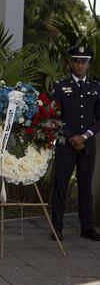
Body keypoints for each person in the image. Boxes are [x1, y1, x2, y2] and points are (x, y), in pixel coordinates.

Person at [51, 45, 100, 241]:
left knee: (85, 188)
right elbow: (53, 115)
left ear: (88, 64)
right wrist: (72, 136)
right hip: (65, 145)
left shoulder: (96, 88)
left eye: (84, 61)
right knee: (60, 186)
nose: (80, 65)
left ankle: (87, 228)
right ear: (70, 63)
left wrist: (85, 136)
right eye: (76, 61)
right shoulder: (60, 87)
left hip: (87, 146)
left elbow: (99, 118)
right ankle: (57, 227)